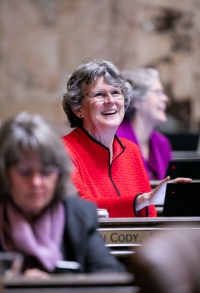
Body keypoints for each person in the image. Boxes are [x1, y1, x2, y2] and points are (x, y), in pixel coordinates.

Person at [0, 112, 124, 278]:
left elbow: (111, 276)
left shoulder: (79, 215)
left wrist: (58, 285)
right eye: (25, 172)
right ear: (5, 174)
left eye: (46, 172)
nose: (36, 182)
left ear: (59, 174)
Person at [62, 60, 191, 218]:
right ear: (78, 109)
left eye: (116, 93)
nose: (111, 101)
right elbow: (81, 207)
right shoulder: (64, 151)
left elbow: (149, 215)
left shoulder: (130, 150)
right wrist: (142, 200)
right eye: (99, 94)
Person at [117, 68, 172, 180]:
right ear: (136, 101)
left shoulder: (162, 143)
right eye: (157, 92)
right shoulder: (115, 140)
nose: (165, 98)